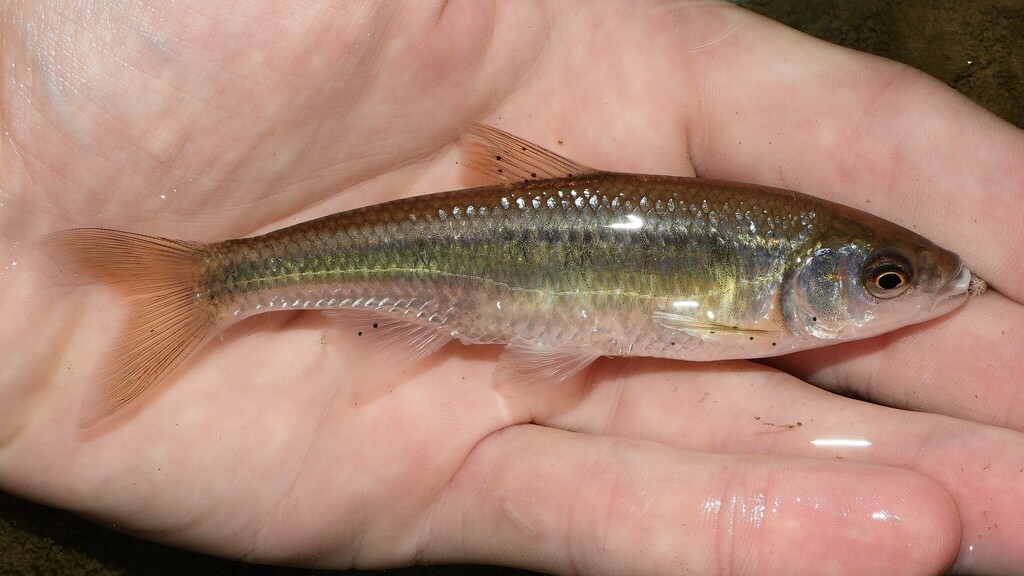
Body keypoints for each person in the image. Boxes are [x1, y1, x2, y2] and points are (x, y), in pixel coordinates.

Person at [1, 2, 1021, 574]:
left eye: (887, 280)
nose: (899, 291)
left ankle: (210, 285)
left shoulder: (758, 267)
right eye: (886, 281)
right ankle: (208, 286)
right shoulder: (743, 300)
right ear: (808, 277)